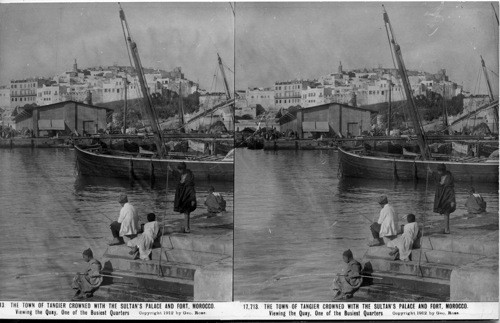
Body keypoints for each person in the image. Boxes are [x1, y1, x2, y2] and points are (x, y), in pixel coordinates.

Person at [171, 162, 197, 233]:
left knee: (187, 212)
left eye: (179, 170)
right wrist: (171, 170)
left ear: (182, 169)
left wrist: (192, 199)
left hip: (188, 196)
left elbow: (191, 188)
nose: (179, 172)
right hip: (182, 196)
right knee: (186, 212)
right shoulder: (182, 174)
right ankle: (186, 227)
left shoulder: (189, 177)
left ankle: (187, 228)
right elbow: (176, 175)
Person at [431, 163, 456, 234]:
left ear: (443, 171)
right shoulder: (440, 175)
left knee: (446, 212)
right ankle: (446, 229)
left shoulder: (449, 178)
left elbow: (451, 190)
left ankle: (447, 230)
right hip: (441, 196)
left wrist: (452, 201)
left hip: (448, 197)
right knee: (445, 213)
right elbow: (435, 175)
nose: (438, 172)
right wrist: (431, 171)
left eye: (439, 171)